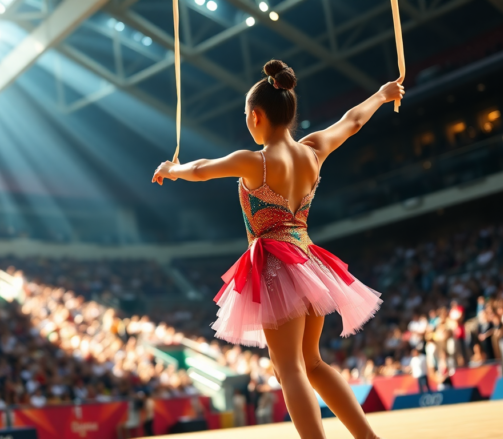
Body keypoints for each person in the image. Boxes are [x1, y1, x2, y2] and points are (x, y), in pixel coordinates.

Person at [153, 59, 400, 439]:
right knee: (312, 363)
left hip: (276, 267)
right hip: (309, 262)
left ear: (256, 116)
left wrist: (173, 169)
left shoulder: (255, 163)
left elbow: (201, 168)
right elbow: (352, 122)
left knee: (290, 370)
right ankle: (367, 437)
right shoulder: (313, 150)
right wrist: (381, 96)